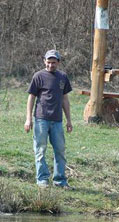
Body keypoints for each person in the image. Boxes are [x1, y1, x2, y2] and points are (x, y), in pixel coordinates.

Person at [24, 49, 73, 189]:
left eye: (54, 62)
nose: (51, 65)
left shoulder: (63, 77)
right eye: (49, 62)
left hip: (57, 120)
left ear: (58, 62)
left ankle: (60, 180)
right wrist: (28, 119)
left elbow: (65, 100)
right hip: (41, 119)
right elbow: (31, 98)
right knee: (40, 150)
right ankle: (42, 180)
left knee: (60, 150)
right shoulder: (38, 76)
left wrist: (69, 120)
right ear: (44, 61)